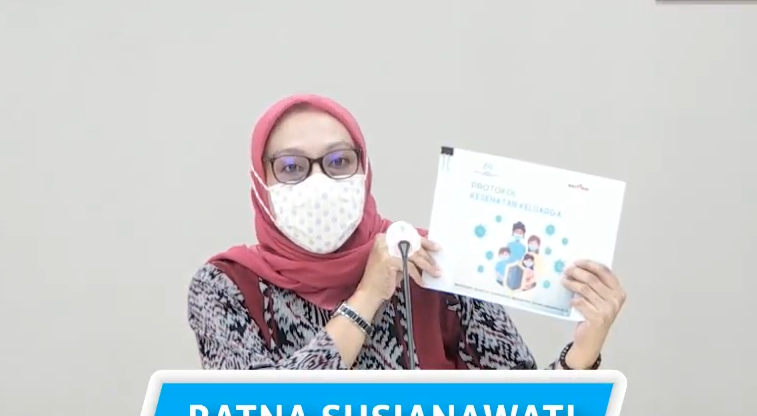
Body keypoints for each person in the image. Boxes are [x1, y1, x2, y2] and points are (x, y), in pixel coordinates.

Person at [186, 94, 627, 370]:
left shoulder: (431, 267)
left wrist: (583, 351)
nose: (319, 181)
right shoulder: (225, 287)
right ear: (261, 182)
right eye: (291, 167)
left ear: (364, 170)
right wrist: (367, 296)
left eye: (339, 161)